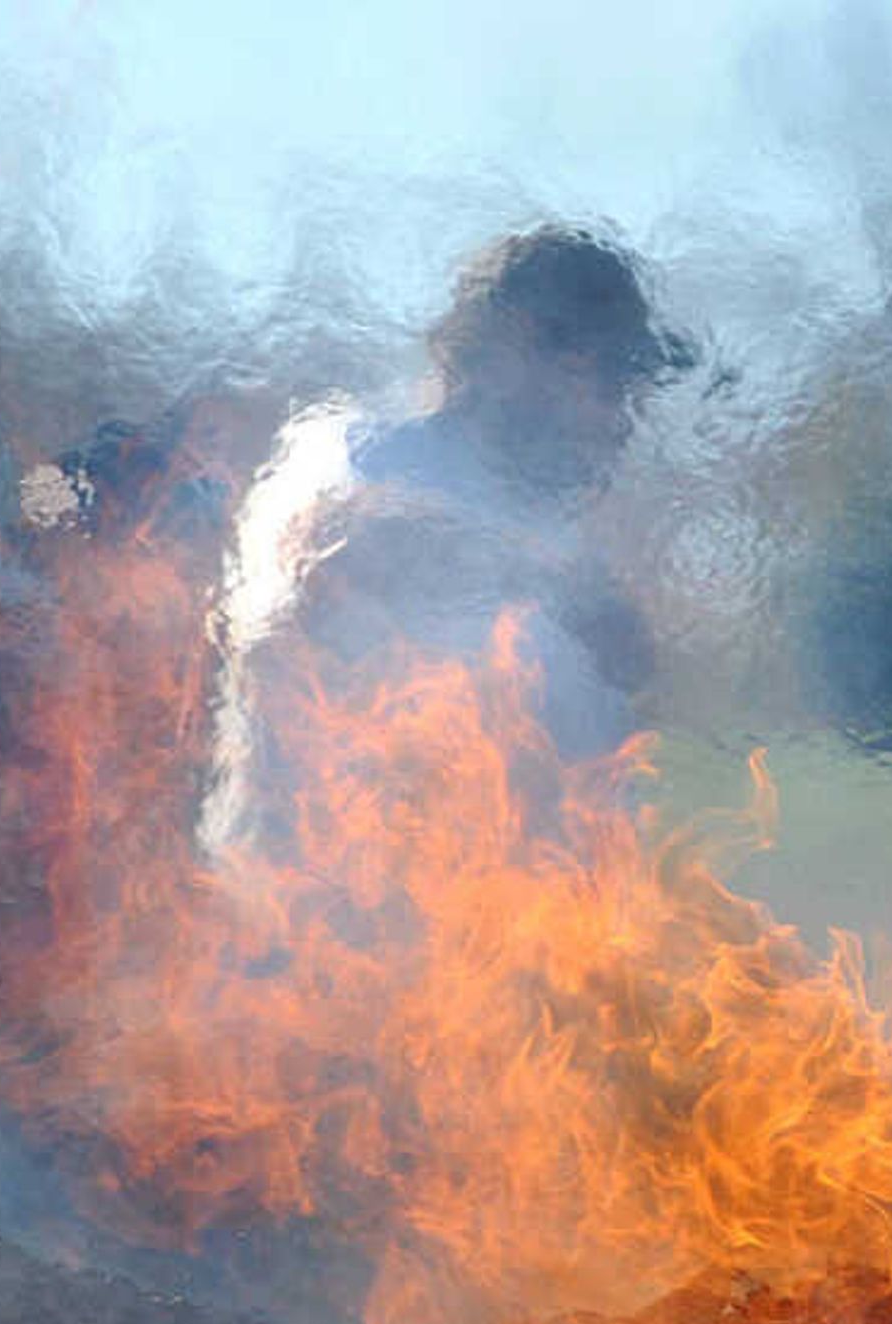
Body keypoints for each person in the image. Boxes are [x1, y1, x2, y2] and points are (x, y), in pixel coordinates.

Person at [199, 226, 692, 858]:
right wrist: (556, 588)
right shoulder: (358, 455)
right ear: (512, 353)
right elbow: (352, 548)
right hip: (344, 923)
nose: (618, 420)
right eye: (602, 382)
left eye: (629, 391)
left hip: (532, 930)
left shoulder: (556, 537)